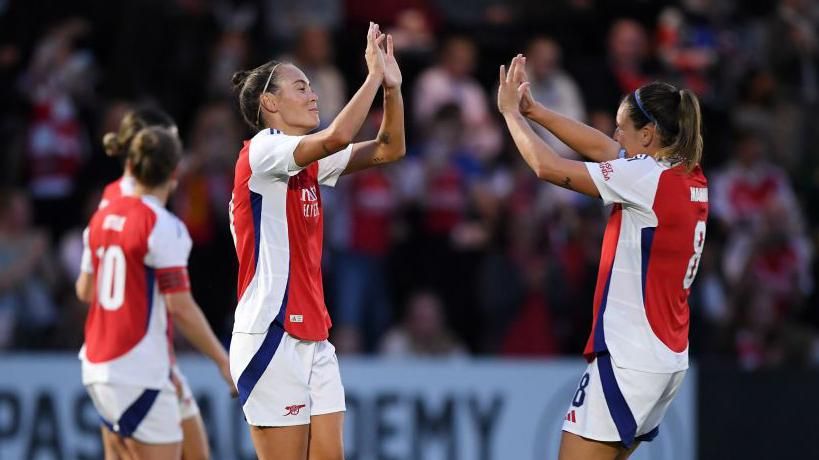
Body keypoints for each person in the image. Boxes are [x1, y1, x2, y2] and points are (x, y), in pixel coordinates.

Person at [497, 55, 708, 460]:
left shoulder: (644, 179)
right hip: (665, 357)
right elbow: (605, 149)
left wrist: (510, 115)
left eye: (622, 128)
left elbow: (546, 166)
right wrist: (535, 110)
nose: (615, 136)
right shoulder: (688, 175)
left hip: (631, 356)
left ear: (648, 135)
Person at [228, 22, 405, 459]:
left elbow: (390, 149)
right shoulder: (264, 150)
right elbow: (340, 136)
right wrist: (371, 77)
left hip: (314, 337)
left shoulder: (305, 159)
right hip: (271, 333)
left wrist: (393, 90)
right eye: (301, 87)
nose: (313, 95)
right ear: (269, 103)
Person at [76, 127, 235, 460]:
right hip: (137, 368)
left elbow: (85, 291)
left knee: (196, 451)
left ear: (131, 168)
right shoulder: (163, 225)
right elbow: (180, 305)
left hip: (100, 364)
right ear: (175, 172)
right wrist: (224, 361)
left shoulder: (102, 217)